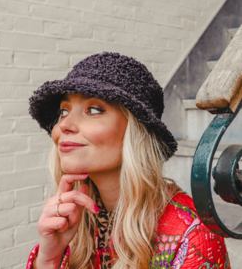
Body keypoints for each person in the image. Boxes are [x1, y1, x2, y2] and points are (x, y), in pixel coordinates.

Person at [26, 51, 230, 269]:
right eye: (64, 111)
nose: (64, 125)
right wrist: (49, 260)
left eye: (93, 110)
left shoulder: (192, 237)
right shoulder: (74, 220)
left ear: (135, 131)